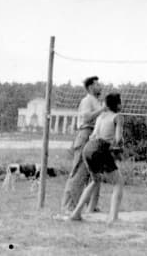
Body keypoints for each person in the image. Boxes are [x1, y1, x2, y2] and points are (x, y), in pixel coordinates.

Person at [69, 92, 125, 225]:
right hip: (101, 148)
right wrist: (120, 144)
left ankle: (76, 213)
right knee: (118, 182)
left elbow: (93, 135)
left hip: (88, 148)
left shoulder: (100, 116)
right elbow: (118, 139)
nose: (122, 105)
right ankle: (113, 218)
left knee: (95, 180)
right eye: (121, 102)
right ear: (117, 104)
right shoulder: (118, 117)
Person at [61, 76, 104, 213]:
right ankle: (68, 206)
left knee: (94, 174)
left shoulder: (97, 101)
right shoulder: (87, 100)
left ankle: (91, 206)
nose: (100, 86)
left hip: (95, 137)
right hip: (85, 135)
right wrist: (102, 110)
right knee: (79, 172)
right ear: (90, 87)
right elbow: (86, 117)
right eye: (97, 84)